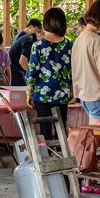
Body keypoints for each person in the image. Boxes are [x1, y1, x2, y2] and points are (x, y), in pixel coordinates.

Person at [72, 0, 100, 179]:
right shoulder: (98, 40)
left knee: (93, 138)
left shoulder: (79, 39)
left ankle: (90, 174)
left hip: (85, 94)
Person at [26, 8, 72, 141]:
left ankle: (48, 157)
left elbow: (33, 70)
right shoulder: (69, 45)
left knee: (45, 128)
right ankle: (63, 156)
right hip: (63, 93)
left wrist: (29, 91)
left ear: (46, 23)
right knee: (61, 127)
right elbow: (72, 69)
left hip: (42, 94)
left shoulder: (38, 45)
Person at [8, 18, 42, 87]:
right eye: (38, 32)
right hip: (15, 69)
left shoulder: (27, 37)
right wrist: (32, 74)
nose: (42, 37)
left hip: (16, 68)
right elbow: (22, 61)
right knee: (22, 92)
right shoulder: (28, 40)